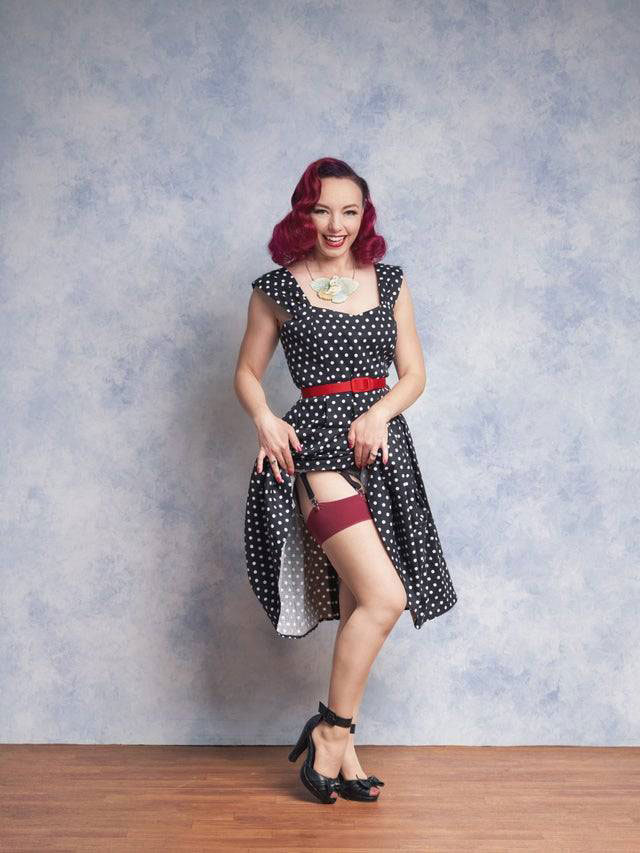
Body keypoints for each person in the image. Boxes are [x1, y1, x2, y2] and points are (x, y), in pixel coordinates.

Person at [233, 157, 458, 804]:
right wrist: (264, 418)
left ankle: (345, 750)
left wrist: (380, 413)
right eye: (322, 210)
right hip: (314, 452)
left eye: (350, 211)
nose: (337, 224)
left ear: (365, 216)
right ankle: (331, 731)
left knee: (363, 600)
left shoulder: (390, 281)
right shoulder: (275, 288)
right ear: (303, 213)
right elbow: (246, 372)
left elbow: (413, 374)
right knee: (385, 597)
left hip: (380, 448)